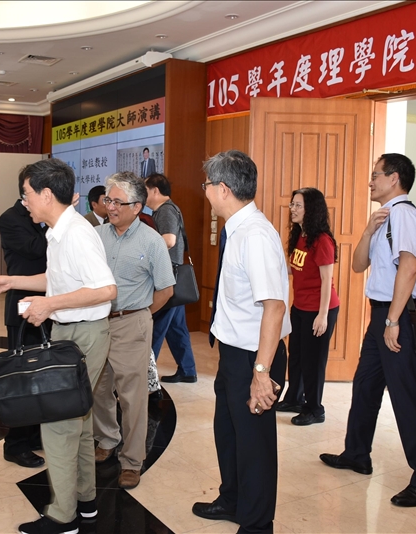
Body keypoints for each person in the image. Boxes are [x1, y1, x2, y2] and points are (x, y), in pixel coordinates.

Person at [0, 158, 117, 534]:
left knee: (59, 425)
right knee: (79, 419)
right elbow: (58, 278)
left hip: (84, 334)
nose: (23, 200)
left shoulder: (75, 233)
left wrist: (50, 304)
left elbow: (106, 289)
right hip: (73, 333)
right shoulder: (60, 231)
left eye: (26, 193)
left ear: (46, 194)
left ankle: (63, 517)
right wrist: (12, 282)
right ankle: (85, 502)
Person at [321, 153, 416, 508]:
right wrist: (368, 231)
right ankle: (357, 454)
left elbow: (410, 268)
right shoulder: (385, 217)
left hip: (397, 316)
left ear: (395, 178)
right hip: (382, 316)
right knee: (365, 386)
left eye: (376, 174)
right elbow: (359, 265)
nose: (371, 181)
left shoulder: (403, 214)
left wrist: (392, 322)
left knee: (406, 396)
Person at [192, 150, 290, 534]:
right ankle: (232, 500)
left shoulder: (255, 235)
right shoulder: (236, 230)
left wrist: (261, 373)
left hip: (256, 355)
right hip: (235, 353)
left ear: (223, 189)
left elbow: (275, 307)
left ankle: (257, 524)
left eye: (206, 185)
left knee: (254, 445)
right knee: (229, 432)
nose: (204, 192)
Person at [92, 172, 175, 490]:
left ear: (137, 206)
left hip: (132, 323)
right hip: (97, 323)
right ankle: (107, 439)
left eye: (117, 202)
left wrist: (140, 315)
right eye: (108, 200)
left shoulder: (152, 241)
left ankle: (132, 461)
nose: (110, 207)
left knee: (133, 397)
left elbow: (165, 290)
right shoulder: (97, 236)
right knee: (98, 388)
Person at [277, 187, 340, 426]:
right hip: (301, 307)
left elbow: (327, 280)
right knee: (297, 357)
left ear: (311, 209)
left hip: (320, 309)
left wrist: (322, 315)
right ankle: (295, 398)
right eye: (292, 204)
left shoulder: (322, 240)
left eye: (298, 205)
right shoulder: (300, 236)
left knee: (313, 361)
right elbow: (296, 268)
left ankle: (315, 409)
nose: (292, 209)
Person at [0, 184, 49, 468]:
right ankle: (16, 444)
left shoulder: (42, 218)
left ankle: (34, 435)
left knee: (43, 375)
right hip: (22, 306)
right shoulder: (11, 218)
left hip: (48, 304)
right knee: (22, 378)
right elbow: (34, 249)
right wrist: (55, 222)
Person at [144, 173, 198, 383]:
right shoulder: (168, 209)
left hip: (167, 278)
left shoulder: (165, 210)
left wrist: (144, 249)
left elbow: (169, 240)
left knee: (156, 327)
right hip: (173, 277)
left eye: (145, 190)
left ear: (155, 191)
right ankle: (187, 370)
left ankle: (146, 376)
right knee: (176, 328)